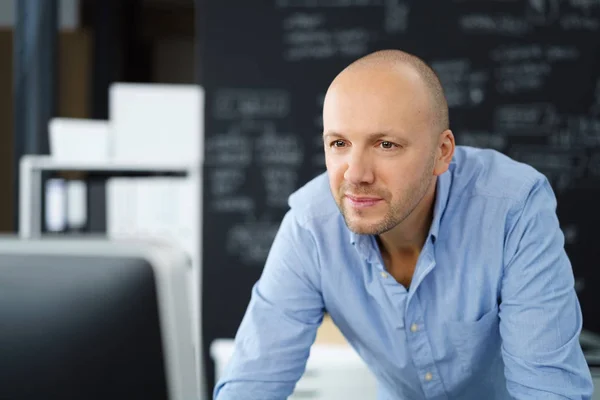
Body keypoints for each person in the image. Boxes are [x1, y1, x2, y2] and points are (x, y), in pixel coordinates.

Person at [213, 49, 594, 399]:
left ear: (442, 153)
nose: (356, 174)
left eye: (386, 145)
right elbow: (252, 383)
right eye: (339, 143)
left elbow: (549, 390)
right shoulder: (311, 225)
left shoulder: (513, 208)